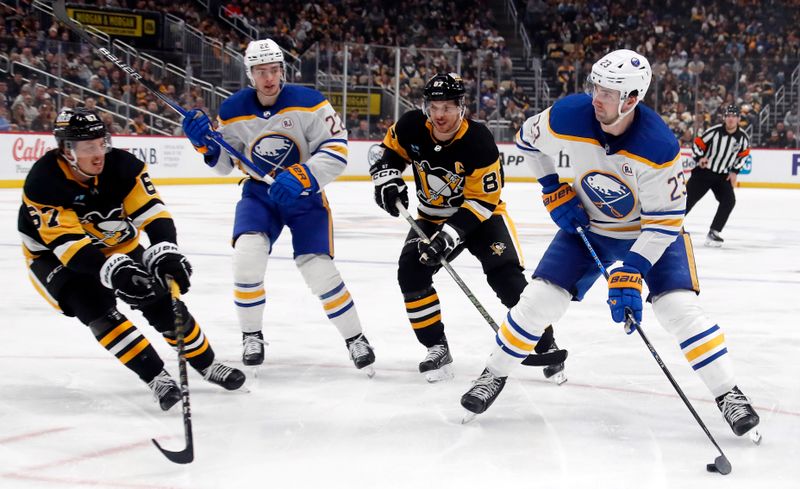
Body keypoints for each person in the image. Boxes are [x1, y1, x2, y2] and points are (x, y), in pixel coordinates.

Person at [459, 49, 760, 440]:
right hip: (590, 228)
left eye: (607, 92)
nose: (595, 97)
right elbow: (526, 141)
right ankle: (493, 374)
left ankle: (728, 393)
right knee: (538, 302)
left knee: (677, 309)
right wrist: (552, 187)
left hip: (650, 233)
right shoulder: (569, 114)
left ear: (631, 99)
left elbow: (666, 222)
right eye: (594, 86)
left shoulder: (658, 145)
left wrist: (633, 270)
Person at [18, 108, 246, 411]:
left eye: (102, 143)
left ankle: (207, 364)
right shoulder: (43, 182)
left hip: (114, 243)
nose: (98, 154)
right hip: (54, 258)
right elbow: (69, 245)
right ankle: (155, 377)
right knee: (97, 310)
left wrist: (166, 249)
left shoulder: (123, 166)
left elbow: (152, 211)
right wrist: (114, 272)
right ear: (66, 150)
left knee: (160, 299)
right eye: (88, 148)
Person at [181, 38, 375, 375]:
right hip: (259, 195)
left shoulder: (310, 103)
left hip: (304, 196)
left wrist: (303, 175)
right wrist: (204, 144)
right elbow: (226, 162)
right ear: (250, 74)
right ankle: (251, 335)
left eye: (274, 70)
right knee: (246, 258)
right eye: (261, 71)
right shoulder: (231, 110)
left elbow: (337, 148)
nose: (269, 78)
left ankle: (355, 338)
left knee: (318, 268)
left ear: (282, 70)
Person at [369, 73, 566, 383]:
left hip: (483, 218)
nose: (440, 115)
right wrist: (388, 180)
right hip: (431, 217)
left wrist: (448, 236)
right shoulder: (410, 126)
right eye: (434, 107)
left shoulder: (479, 141)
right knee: (410, 272)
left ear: (461, 107)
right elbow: (389, 153)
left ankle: (544, 343)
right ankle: (436, 347)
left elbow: (482, 201)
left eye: (447, 107)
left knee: (506, 276)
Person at [686, 104, 751, 247]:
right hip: (704, 172)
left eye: (734, 116)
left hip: (722, 175)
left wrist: (735, 171)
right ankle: (671, 227)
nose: (731, 119)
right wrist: (699, 158)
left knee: (729, 200)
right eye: (728, 116)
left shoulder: (743, 138)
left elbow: (743, 156)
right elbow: (698, 144)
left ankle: (714, 232)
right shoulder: (714, 132)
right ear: (724, 118)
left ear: (739, 119)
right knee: (687, 200)